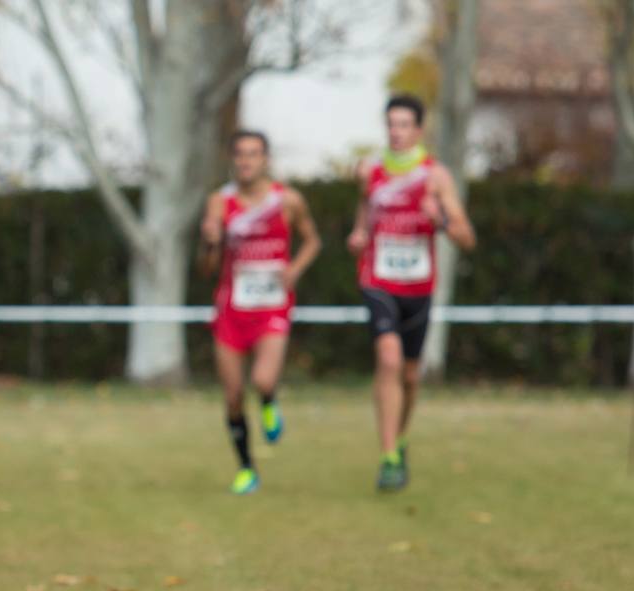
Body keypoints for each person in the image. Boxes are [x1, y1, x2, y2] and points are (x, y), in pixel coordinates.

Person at [347, 94, 475, 492]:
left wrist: (440, 221)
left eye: (404, 125)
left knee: (410, 375)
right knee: (388, 359)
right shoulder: (370, 171)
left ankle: (400, 440)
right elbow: (364, 216)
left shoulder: (436, 177)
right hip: (378, 279)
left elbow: (467, 238)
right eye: (391, 124)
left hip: (418, 286)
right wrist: (359, 234)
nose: (396, 132)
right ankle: (387, 458)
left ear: (418, 130)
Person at [200, 130, 321, 495]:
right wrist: (210, 242)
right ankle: (247, 468)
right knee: (233, 395)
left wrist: (295, 269)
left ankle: (269, 402)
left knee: (263, 380)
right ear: (232, 160)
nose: (246, 161)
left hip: (272, 305)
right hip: (232, 309)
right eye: (239, 154)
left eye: (253, 154)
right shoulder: (220, 204)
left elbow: (313, 240)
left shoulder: (287, 201)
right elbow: (206, 268)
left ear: (266, 159)